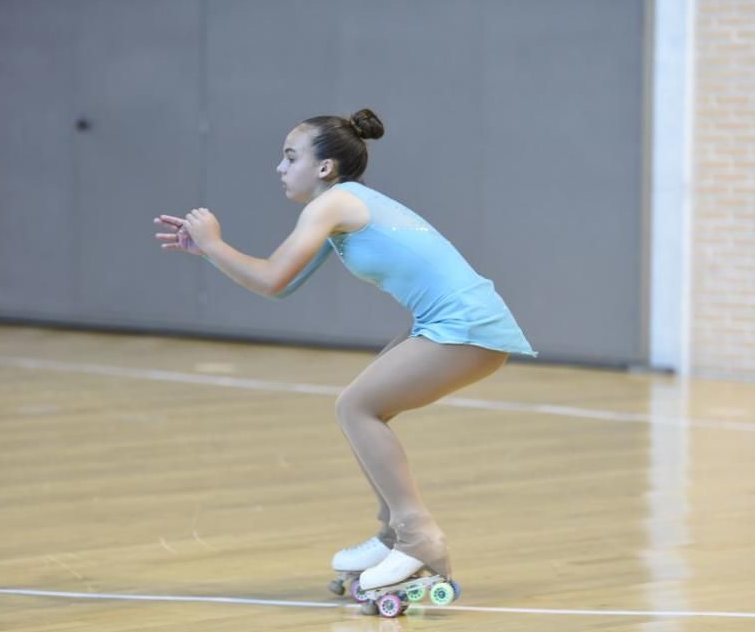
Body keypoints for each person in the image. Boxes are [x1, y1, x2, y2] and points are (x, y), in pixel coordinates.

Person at [153, 109, 536, 601]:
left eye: (291, 157)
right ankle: (396, 533)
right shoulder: (338, 208)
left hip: (465, 328)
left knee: (356, 407)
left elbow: (271, 278)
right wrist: (211, 251)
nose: (280, 167)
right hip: (456, 325)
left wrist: (214, 241)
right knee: (364, 408)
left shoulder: (332, 206)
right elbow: (278, 285)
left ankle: (419, 537)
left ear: (325, 168)